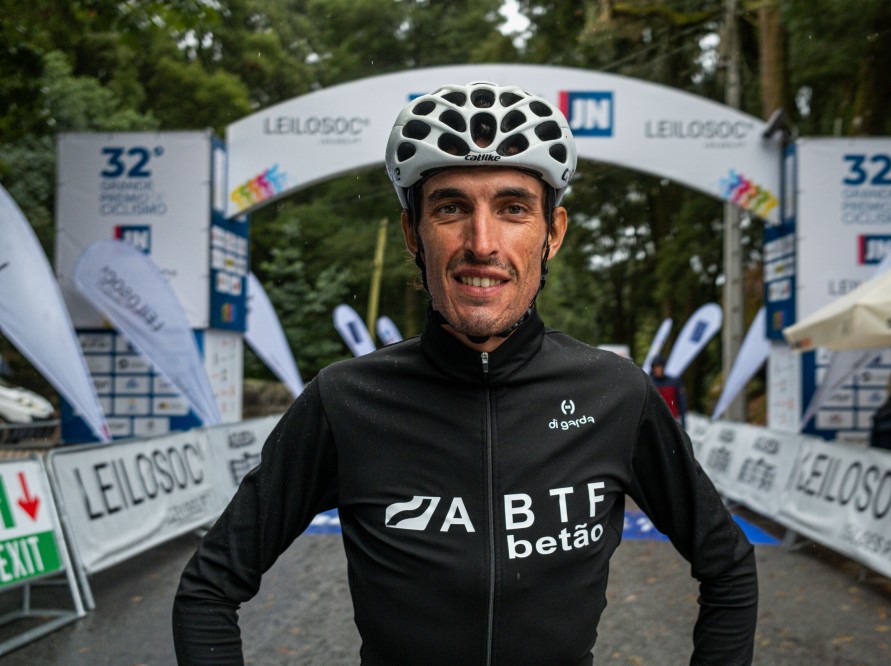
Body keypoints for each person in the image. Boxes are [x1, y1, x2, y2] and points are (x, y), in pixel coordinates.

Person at [173, 81, 758, 665]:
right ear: (413, 233)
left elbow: (728, 566)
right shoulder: (346, 400)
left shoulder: (616, 394)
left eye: (513, 209)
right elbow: (208, 590)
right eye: (451, 208)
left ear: (552, 234)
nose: (482, 243)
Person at [650, 356, 688, 428]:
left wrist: (683, 423)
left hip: (672, 420)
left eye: (659, 367)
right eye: (655, 367)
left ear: (663, 367)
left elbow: (682, 404)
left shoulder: (674, 382)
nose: (657, 369)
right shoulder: (649, 383)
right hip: (654, 421)